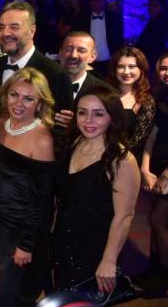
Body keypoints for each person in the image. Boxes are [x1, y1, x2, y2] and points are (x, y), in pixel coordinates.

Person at [52, 86, 141, 291]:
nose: (88, 121)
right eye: (82, 113)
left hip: (95, 248)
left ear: (112, 117)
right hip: (63, 241)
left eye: (98, 114)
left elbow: (124, 216)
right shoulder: (75, 142)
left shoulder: (122, 160)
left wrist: (109, 260)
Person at [0, 68, 57, 307]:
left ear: (39, 104)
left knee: (1, 283)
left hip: (18, 226)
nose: (19, 103)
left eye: (28, 99)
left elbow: (43, 200)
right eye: (14, 95)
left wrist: (26, 244)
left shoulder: (42, 139)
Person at [0, 0, 73, 131]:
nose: (5, 33)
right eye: (1, 27)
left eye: (14, 27)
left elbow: (60, 129)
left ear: (32, 31)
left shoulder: (56, 74)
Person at [137, 49, 168, 291]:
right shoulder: (161, 96)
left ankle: (167, 276)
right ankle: (155, 270)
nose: (167, 73)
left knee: (158, 221)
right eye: (164, 68)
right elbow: (152, 136)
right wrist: (145, 168)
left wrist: (167, 174)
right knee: (158, 222)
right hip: (156, 166)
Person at [105, 47, 155, 159]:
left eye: (132, 66)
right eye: (120, 67)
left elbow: (139, 139)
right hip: (97, 153)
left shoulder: (147, 100)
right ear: (114, 70)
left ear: (141, 69)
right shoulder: (103, 94)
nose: (126, 72)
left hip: (128, 158)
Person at [135, 0, 168, 68]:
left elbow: (155, 46)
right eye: (149, 5)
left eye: (155, 6)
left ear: (162, 8)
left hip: (152, 62)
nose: (150, 8)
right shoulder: (152, 22)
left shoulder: (162, 24)